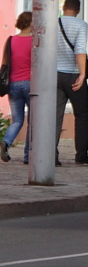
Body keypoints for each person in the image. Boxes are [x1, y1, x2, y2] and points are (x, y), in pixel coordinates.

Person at [56, 0, 88, 165]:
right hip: (73, 76)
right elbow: (80, 50)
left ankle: (51, 156)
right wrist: (82, 74)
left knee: (55, 116)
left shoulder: (54, 23)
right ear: (78, 10)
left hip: (55, 74)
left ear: (64, 7)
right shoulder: (81, 25)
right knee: (81, 115)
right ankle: (81, 155)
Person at [1, 12, 33, 164]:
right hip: (30, 84)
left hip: (13, 84)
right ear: (32, 24)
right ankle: (28, 156)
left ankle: (6, 142)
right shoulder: (34, 41)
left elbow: (4, 63)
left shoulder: (11, 40)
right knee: (33, 121)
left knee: (17, 120)